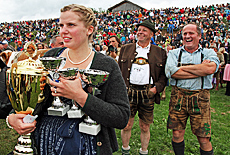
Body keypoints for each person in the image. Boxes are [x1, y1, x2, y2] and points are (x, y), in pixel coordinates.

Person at [7, 4, 130, 155]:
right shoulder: (50, 56)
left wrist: (80, 96)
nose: (63, 31)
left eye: (71, 25)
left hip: (86, 145)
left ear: (89, 29)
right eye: (61, 25)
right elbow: (32, 98)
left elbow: (121, 117)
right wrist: (12, 117)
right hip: (44, 142)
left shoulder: (106, 65)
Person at [165, 23, 220, 155]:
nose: (187, 36)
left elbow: (210, 69)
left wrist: (181, 68)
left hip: (200, 98)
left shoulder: (209, 52)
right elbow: (170, 72)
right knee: (177, 134)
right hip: (178, 97)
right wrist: (199, 68)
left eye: (191, 33)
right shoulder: (174, 53)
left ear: (199, 36)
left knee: (204, 138)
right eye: (185, 34)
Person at [118, 20, 167, 155]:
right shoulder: (125, 49)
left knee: (145, 126)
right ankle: (125, 150)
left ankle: (144, 151)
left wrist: (156, 89)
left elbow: (164, 76)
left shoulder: (160, 52)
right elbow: (118, 71)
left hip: (148, 92)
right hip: (129, 91)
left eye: (144, 30)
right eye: (139, 29)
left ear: (151, 34)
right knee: (127, 124)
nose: (140, 32)